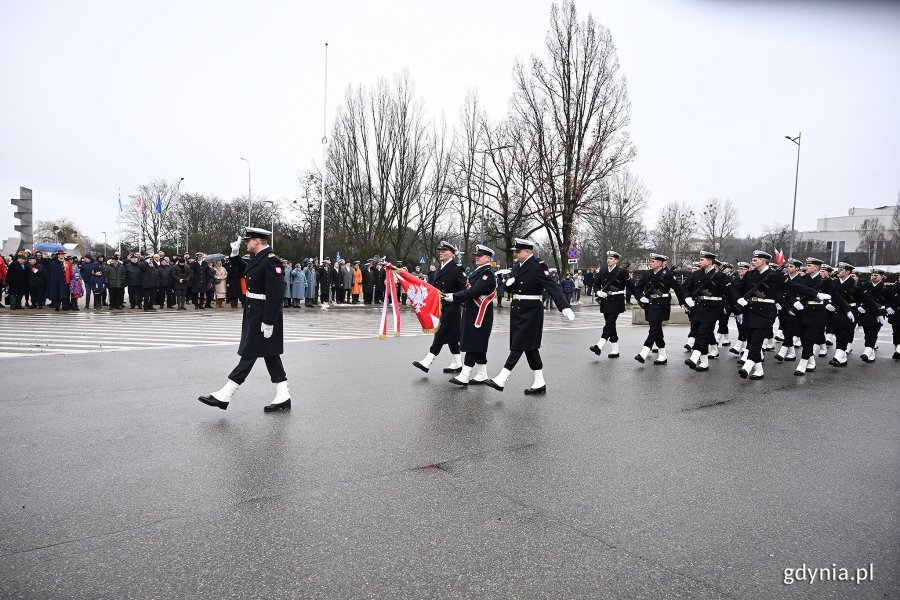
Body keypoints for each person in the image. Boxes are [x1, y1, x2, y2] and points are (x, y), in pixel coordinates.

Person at [199, 228, 291, 412]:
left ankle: (226, 394)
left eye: (248, 240)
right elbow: (243, 269)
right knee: (271, 355)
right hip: (254, 311)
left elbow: (275, 294)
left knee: (249, 353)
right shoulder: (260, 260)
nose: (246, 243)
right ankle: (283, 395)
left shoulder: (272, 261)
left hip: (263, 314)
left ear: (257, 241)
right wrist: (234, 255)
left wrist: (269, 321)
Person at [485, 238, 575, 394]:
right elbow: (513, 289)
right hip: (518, 310)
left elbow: (552, 286)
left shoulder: (538, 266)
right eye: (515, 251)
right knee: (530, 348)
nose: (516, 254)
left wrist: (564, 306)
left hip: (532, 311)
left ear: (527, 252)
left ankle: (502, 377)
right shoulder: (516, 267)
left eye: (518, 252)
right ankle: (539, 382)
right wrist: (508, 284)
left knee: (519, 343)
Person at [445, 245, 497, 386]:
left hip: (480, 315)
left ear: (488, 258)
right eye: (476, 255)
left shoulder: (488, 275)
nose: (477, 257)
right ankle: (482, 374)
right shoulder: (478, 272)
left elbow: (473, 292)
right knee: (477, 344)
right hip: (472, 312)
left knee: (473, 344)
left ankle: (465, 375)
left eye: (480, 255)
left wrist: (454, 297)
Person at [412, 241, 467, 374]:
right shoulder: (439, 268)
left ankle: (428, 360)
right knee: (452, 337)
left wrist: (453, 297)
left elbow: (463, 289)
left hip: (451, 306)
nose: (441, 253)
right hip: (439, 306)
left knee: (441, 332)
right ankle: (457, 363)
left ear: (452, 254)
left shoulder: (457, 268)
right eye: (440, 251)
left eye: (444, 251)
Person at [682, 251, 738, 371]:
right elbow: (686, 288)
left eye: (702, 260)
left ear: (709, 261)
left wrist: (738, 309)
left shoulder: (721, 276)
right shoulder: (697, 274)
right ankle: (704, 362)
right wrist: (687, 298)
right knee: (698, 332)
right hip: (698, 306)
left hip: (713, 308)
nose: (700, 262)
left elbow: (730, 293)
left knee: (703, 332)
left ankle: (694, 357)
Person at [633, 253, 686, 365]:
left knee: (654, 330)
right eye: (650, 261)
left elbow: (678, 289)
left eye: (652, 261)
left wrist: (683, 303)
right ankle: (662, 356)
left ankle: (643, 353)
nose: (650, 263)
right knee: (657, 331)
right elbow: (637, 288)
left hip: (662, 305)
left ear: (660, 263)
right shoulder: (647, 274)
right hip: (650, 305)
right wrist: (641, 297)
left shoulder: (667, 275)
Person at [590, 250, 636, 359]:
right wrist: (598, 292)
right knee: (611, 326)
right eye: (607, 258)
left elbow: (631, 286)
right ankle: (615, 350)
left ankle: (599, 345)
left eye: (611, 259)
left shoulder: (622, 272)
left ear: (616, 260)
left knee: (609, 324)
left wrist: (640, 297)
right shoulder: (603, 271)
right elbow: (595, 285)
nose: (608, 260)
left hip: (616, 301)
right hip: (605, 301)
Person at [856, 268, 889, 363]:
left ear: (881, 277)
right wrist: (859, 306)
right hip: (865, 313)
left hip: (877, 313)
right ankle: (871, 353)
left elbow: (889, 300)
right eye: (872, 275)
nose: (873, 277)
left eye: (876, 275)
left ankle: (867, 351)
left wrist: (888, 307)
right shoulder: (866, 286)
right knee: (867, 333)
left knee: (872, 333)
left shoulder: (885, 288)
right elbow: (857, 297)